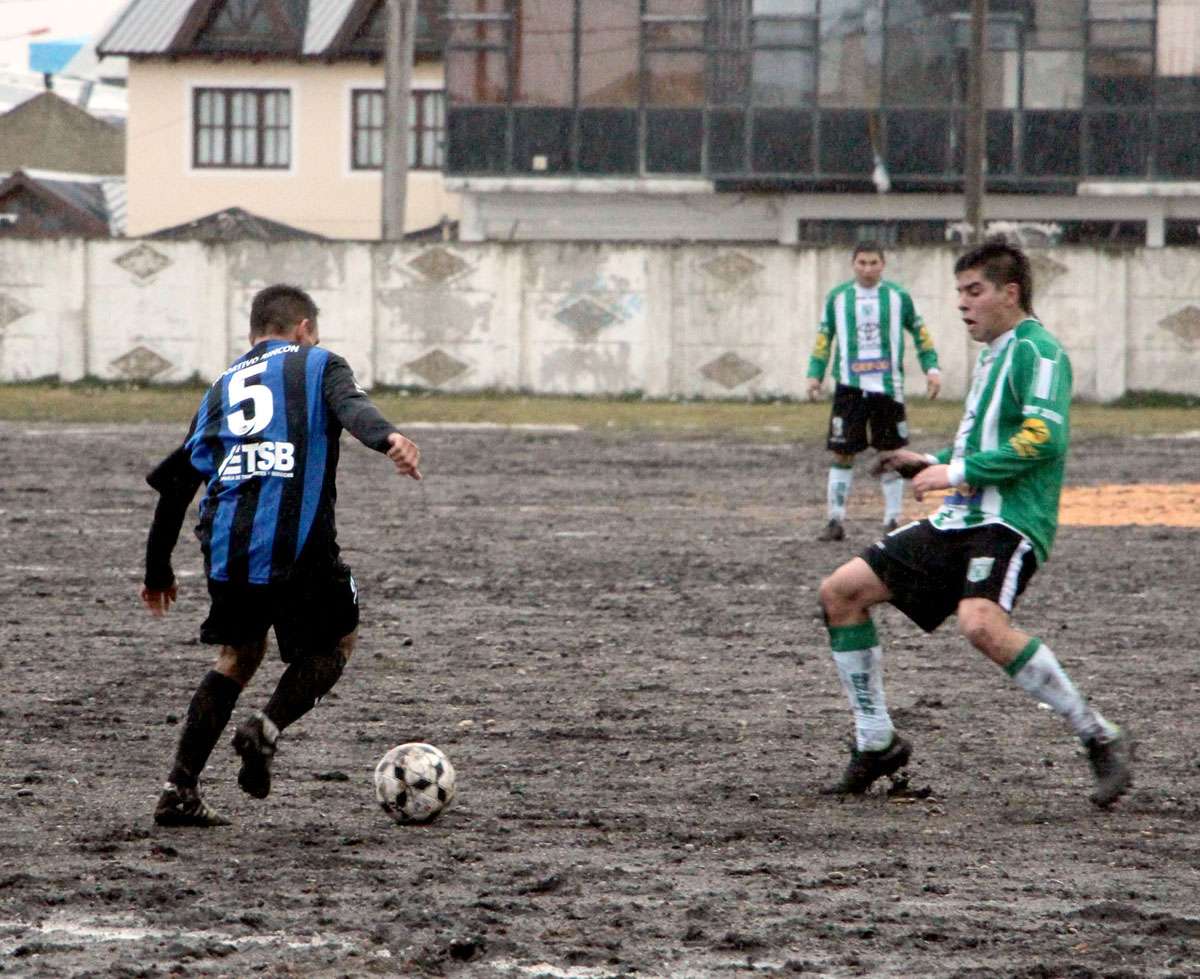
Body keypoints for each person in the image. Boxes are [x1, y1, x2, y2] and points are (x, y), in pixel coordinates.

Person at [815, 239, 1132, 808]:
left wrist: (954, 471)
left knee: (980, 623)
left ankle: (1098, 735)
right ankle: (876, 741)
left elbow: (1043, 438)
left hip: (1008, 520)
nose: (962, 303)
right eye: (959, 292)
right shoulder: (994, 354)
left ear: (1010, 293)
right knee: (841, 593)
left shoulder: (1039, 352)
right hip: (959, 518)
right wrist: (930, 460)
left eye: (974, 291)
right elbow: (984, 441)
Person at [140, 284, 422, 827]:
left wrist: (157, 569)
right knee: (336, 641)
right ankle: (265, 727)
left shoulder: (222, 386)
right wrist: (389, 438)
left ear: (254, 333)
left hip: (227, 546)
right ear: (304, 328)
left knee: (239, 656)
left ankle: (179, 789)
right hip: (299, 544)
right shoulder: (319, 363)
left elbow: (176, 483)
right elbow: (353, 407)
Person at [807, 242, 941, 541]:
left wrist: (931, 368)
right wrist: (815, 373)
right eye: (862, 263)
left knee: (890, 454)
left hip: (887, 387)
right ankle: (834, 520)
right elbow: (824, 336)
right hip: (850, 387)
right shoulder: (838, 297)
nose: (867, 269)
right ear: (853, 265)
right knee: (842, 453)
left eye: (873, 263)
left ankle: (892, 521)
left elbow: (920, 332)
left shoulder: (898, 297)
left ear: (883, 265)